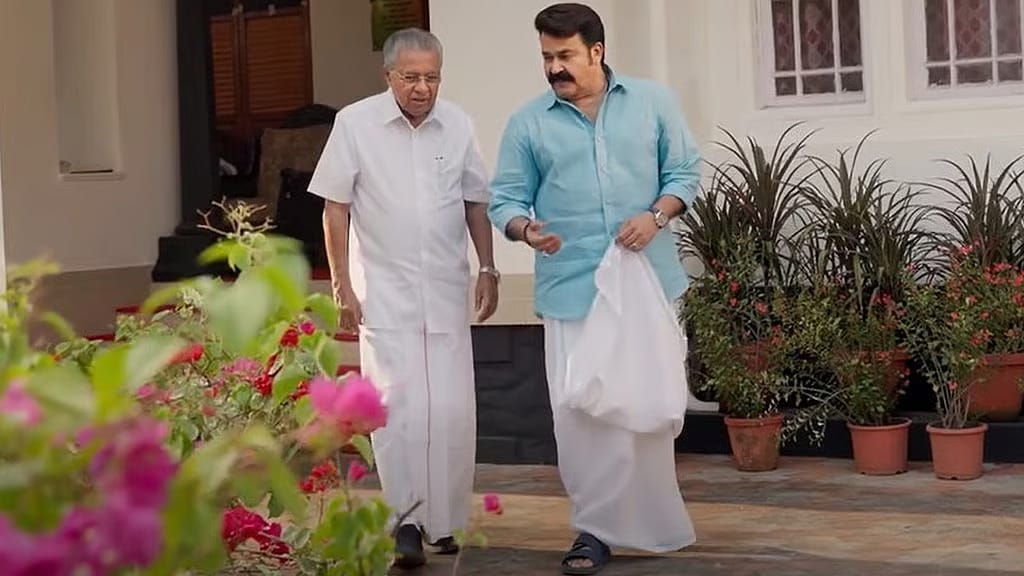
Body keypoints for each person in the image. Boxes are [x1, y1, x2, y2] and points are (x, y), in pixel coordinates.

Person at [487, 3, 700, 574]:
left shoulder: (652, 102)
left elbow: (685, 174)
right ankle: (593, 531)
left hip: (646, 284)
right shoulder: (529, 122)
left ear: (597, 51)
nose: (554, 67)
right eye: (546, 57)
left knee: (643, 408)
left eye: (565, 55)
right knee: (578, 416)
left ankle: (650, 523)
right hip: (572, 288)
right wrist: (526, 230)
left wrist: (655, 216)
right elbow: (505, 199)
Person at [308, 27, 500, 570]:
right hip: (384, 294)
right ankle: (406, 524)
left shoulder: (458, 124)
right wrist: (341, 284)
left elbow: (475, 201)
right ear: (388, 75)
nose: (422, 88)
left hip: (445, 290)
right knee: (398, 411)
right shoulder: (355, 124)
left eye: (431, 77)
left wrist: (488, 267)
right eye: (410, 77)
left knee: (451, 411)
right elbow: (335, 208)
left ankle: (445, 523)